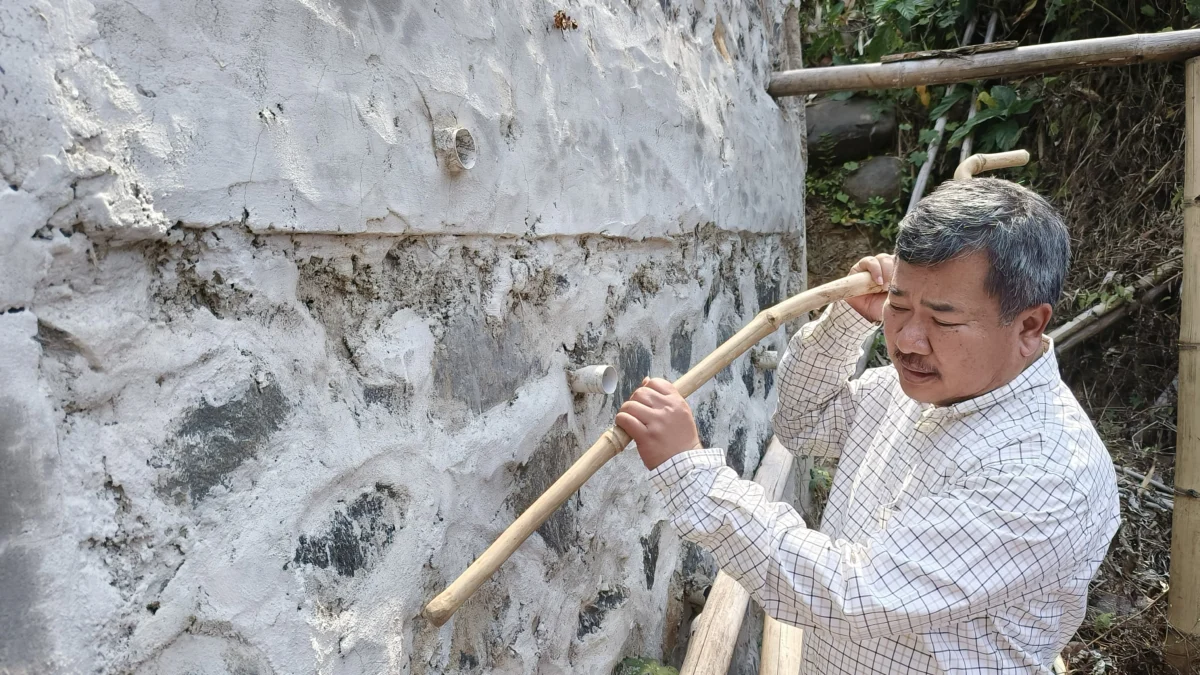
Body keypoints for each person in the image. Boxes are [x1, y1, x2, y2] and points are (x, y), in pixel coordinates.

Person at [615, 178, 1121, 674]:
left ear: (1029, 326)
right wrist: (848, 320)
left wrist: (691, 476)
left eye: (942, 321)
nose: (908, 339)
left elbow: (854, 592)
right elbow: (803, 424)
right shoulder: (917, 391)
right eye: (898, 306)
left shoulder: (1043, 470)